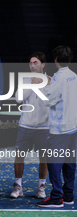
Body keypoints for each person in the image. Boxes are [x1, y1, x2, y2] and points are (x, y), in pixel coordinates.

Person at [37, 45, 77, 208]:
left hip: (59, 129)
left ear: (55, 60)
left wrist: (43, 86)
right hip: (73, 127)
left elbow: (48, 100)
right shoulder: (74, 76)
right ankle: (68, 195)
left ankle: (56, 197)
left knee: (54, 163)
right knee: (69, 163)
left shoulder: (58, 78)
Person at [10, 52, 49, 199]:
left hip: (44, 128)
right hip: (25, 126)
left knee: (43, 158)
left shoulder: (51, 81)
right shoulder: (25, 80)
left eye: (36, 62)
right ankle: (18, 186)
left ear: (43, 64)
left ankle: (41, 187)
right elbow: (19, 99)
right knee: (19, 157)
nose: (32, 65)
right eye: (31, 63)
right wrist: (31, 83)